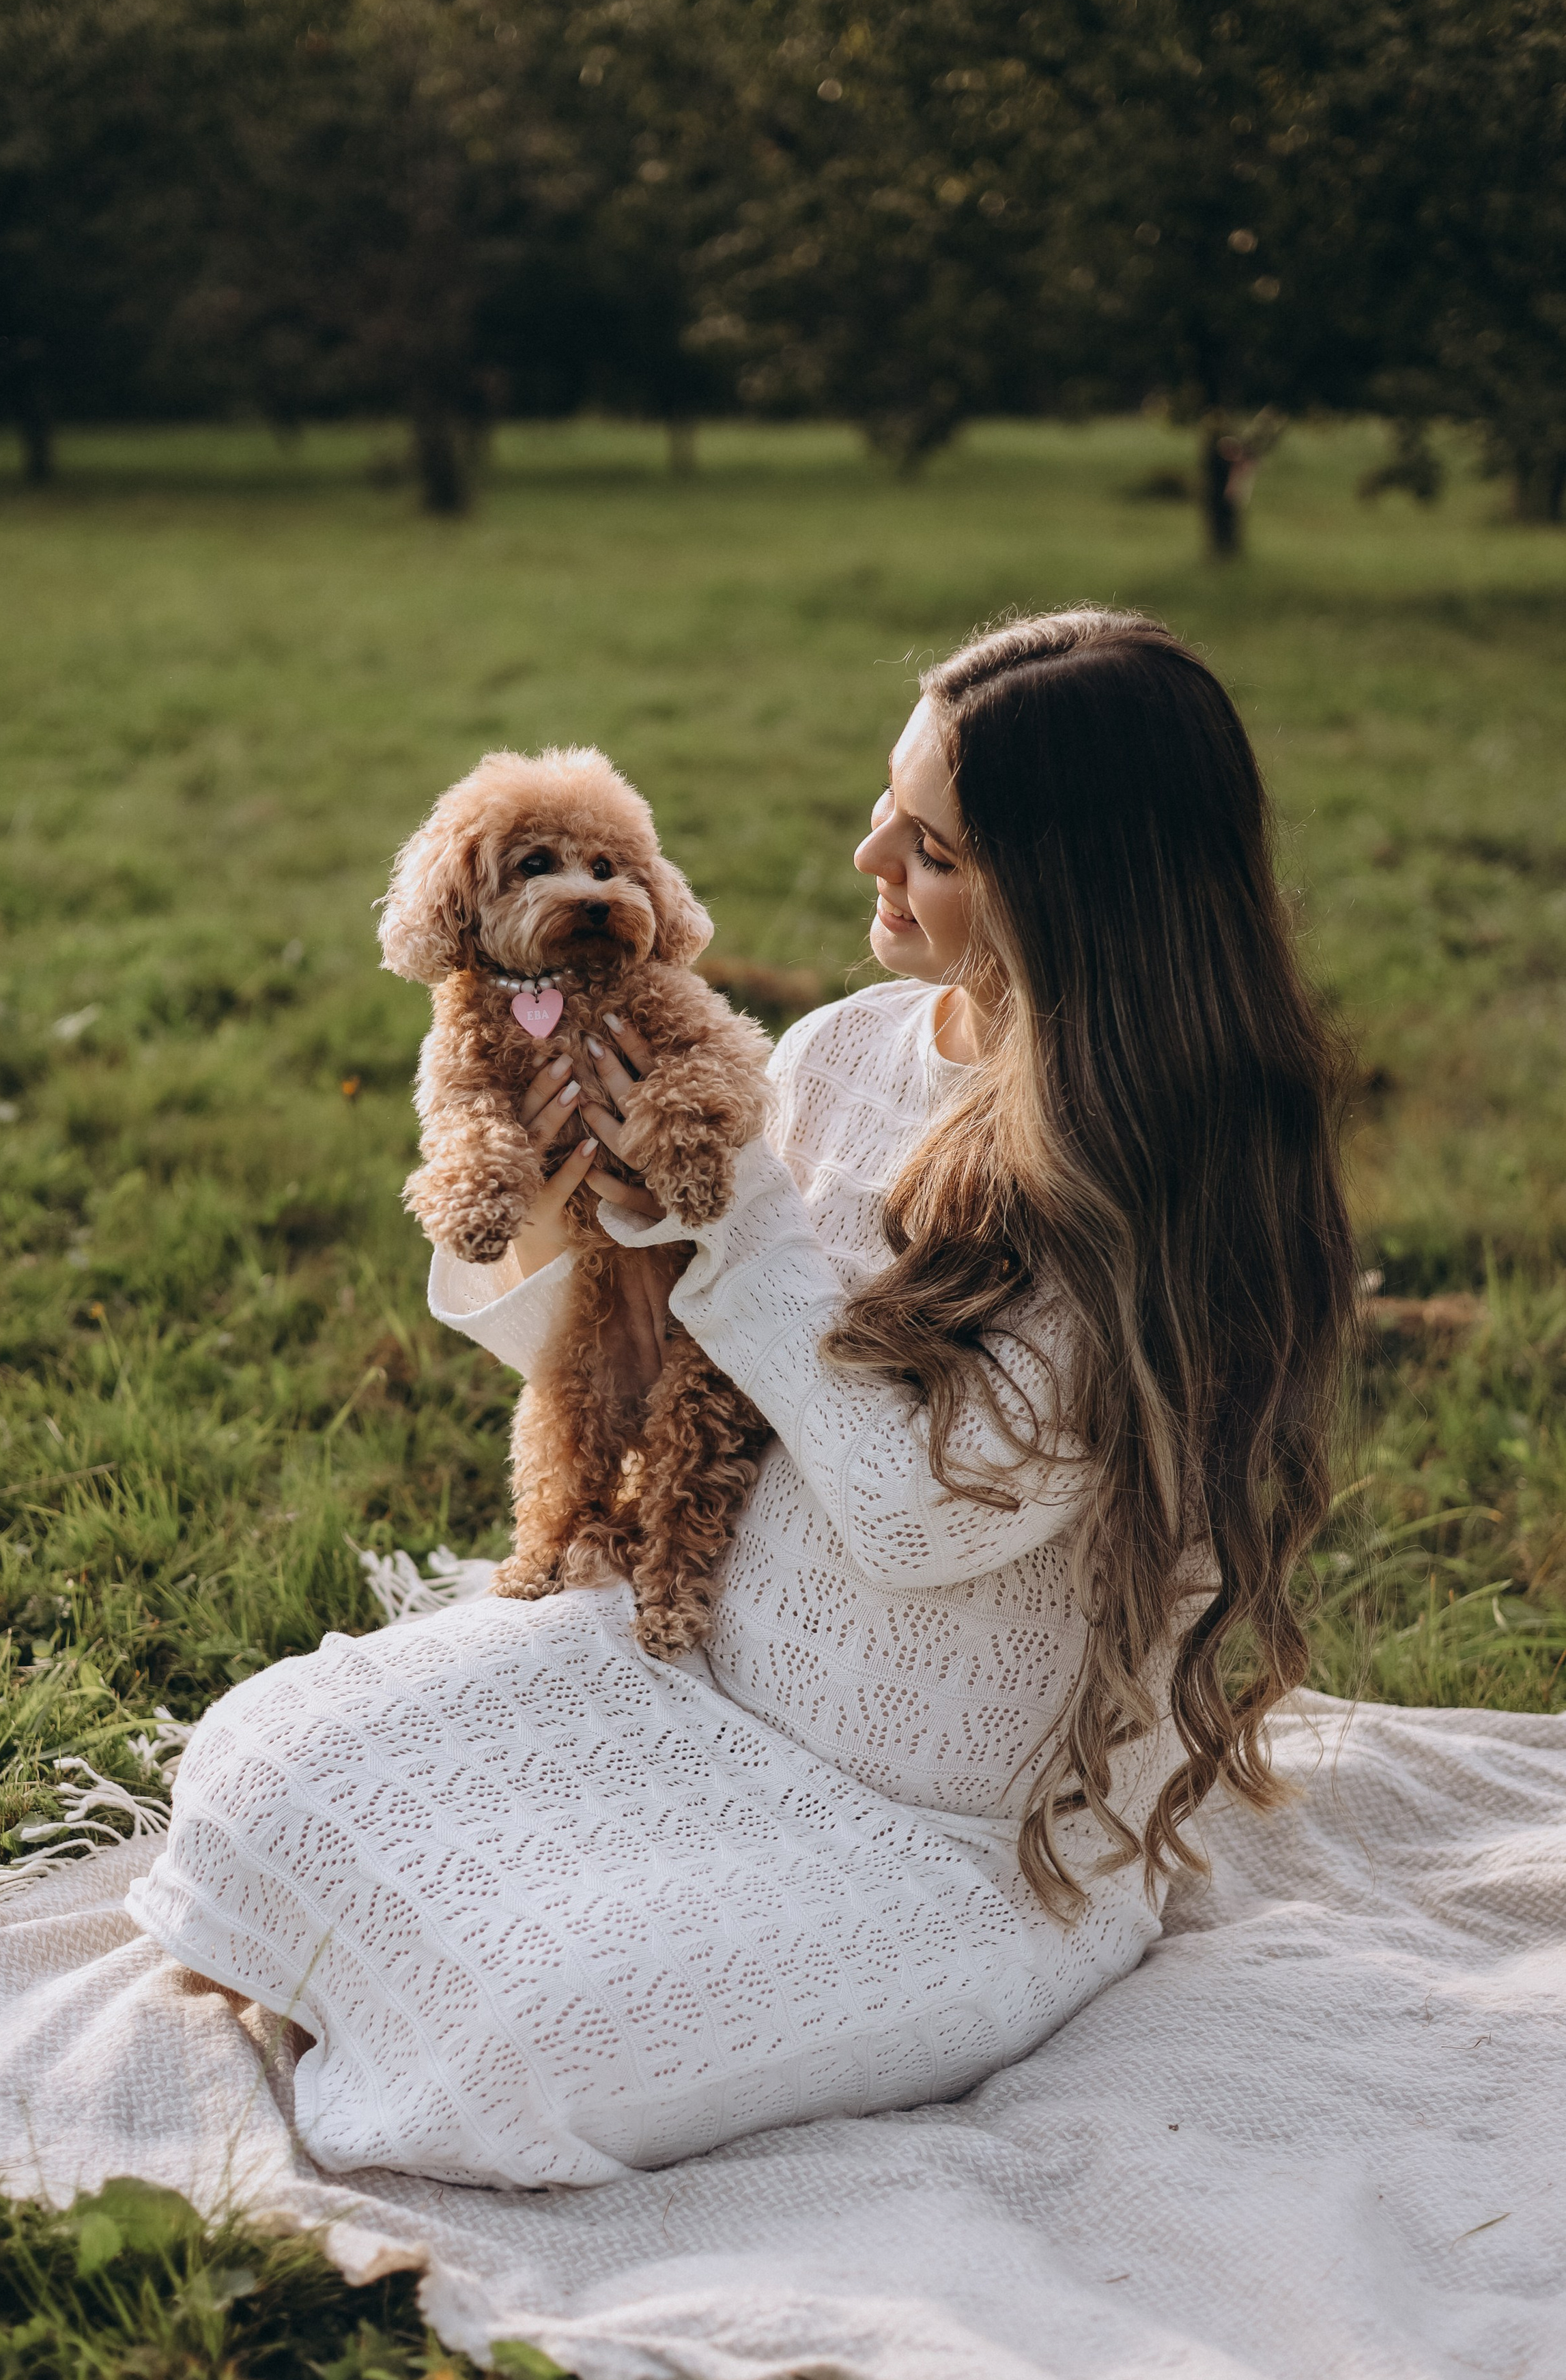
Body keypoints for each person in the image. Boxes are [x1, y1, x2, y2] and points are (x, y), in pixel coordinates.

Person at [126, 608, 1357, 2191]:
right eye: (884, 806)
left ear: (1071, 891)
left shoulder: (1158, 1185)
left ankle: (485, 1985)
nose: (866, 857)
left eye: (929, 848)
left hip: (946, 1836)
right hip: (682, 1660)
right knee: (258, 1762)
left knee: (523, 2044)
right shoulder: (843, 1049)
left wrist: (731, 1218)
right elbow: (667, 1362)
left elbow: (921, 1519)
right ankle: (443, 1936)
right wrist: (572, 1213)